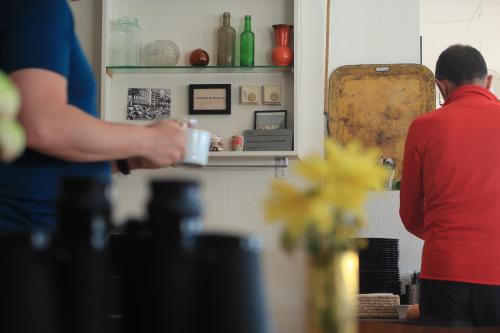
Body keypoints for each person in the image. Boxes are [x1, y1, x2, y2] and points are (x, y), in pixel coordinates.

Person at [0, 0, 186, 230]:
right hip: (25, 236)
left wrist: (130, 158)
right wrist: (149, 141)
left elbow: (31, 146)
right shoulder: (40, 5)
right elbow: (43, 125)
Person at [400, 44, 500, 327]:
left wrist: (444, 236)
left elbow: (409, 213)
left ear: (440, 86)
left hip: (445, 270)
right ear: (488, 81)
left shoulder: (423, 126)